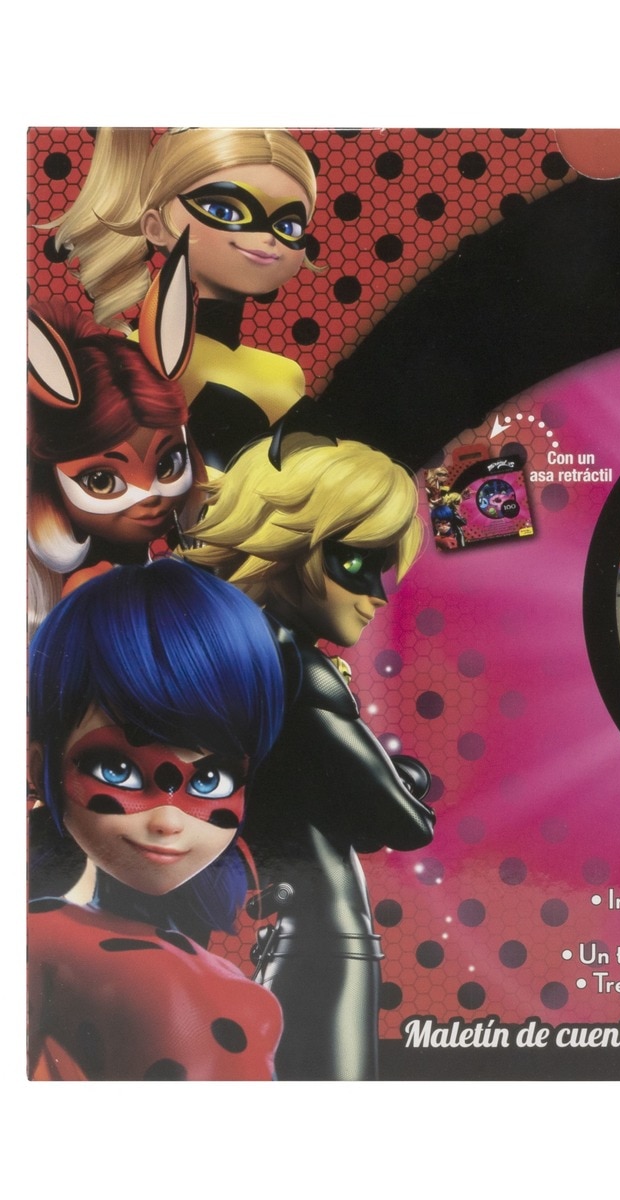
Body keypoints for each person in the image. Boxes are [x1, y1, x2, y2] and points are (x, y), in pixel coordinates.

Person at [184, 432, 436, 1079]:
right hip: (327, 942)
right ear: (286, 544)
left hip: (293, 934)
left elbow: (347, 812)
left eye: (383, 567)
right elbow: (406, 823)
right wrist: (406, 779)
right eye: (354, 562)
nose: (378, 593)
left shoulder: (239, 664)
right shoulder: (297, 672)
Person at [27, 559, 286, 1080]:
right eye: (119, 770)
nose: (168, 820)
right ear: (40, 767)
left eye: (209, 779)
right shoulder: (45, 943)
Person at [49, 127, 320, 468]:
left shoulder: (286, 372)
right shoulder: (135, 362)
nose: (267, 238)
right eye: (225, 211)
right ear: (154, 227)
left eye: (288, 226)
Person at [27, 236, 203, 634]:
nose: (150, 495)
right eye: (102, 481)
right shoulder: (91, 589)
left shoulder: (155, 571)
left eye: (168, 464)